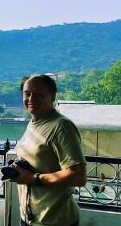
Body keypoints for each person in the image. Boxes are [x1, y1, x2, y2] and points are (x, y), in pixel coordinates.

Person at [11, 75, 87, 226]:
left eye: (38, 93)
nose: (31, 98)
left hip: (55, 220)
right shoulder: (34, 122)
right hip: (30, 217)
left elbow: (78, 176)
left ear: (52, 96)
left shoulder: (61, 126)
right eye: (27, 93)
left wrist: (34, 178)